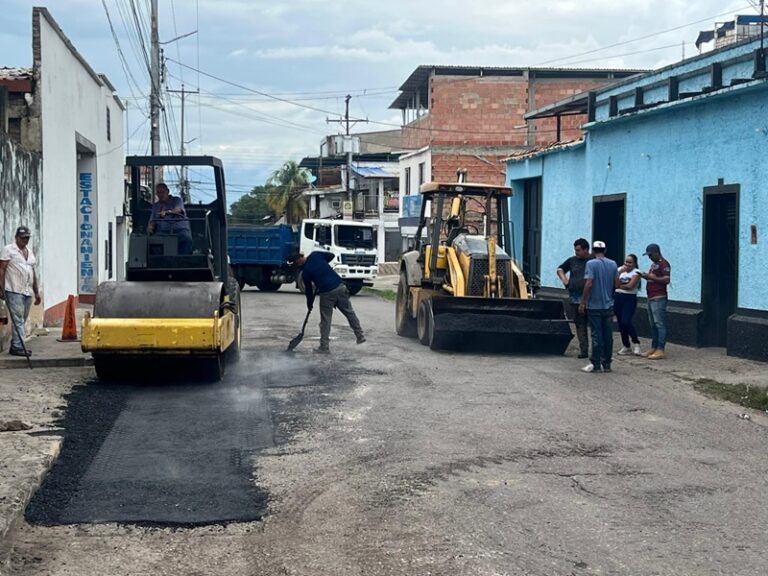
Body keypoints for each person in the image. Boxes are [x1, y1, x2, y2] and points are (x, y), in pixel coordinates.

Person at [292, 251, 365, 354]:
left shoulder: (306, 272)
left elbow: (308, 290)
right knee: (349, 313)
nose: (298, 265)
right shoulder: (316, 255)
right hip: (340, 286)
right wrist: (323, 264)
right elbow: (331, 255)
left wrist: (309, 304)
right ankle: (360, 336)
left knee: (326, 320)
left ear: (299, 260)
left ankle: (324, 347)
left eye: (297, 263)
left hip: (327, 293)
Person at [0, 226, 42, 356]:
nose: (25, 240)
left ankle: (15, 345)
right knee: (18, 319)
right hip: (13, 290)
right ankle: (19, 346)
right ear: (16, 237)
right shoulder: (9, 250)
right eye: (23, 238)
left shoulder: (29, 252)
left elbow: (33, 273)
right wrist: (1, 288)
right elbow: (2, 269)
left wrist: (36, 292)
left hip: (27, 291)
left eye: (27, 238)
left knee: (22, 319)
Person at [579, 240, 618, 373]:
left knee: (596, 334)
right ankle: (607, 363)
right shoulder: (613, 264)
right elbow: (617, 284)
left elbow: (589, 283)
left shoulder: (591, 263)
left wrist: (583, 301)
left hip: (594, 305)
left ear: (594, 251)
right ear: (605, 250)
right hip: (608, 304)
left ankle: (595, 363)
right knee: (608, 335)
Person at [556, 238, 593, 359]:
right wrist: (565, 280)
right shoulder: (572, 261)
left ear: (586, 249)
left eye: (578, 250)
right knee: (579, 325)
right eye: (575, 250)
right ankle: (584, 350)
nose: (576, 252)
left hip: (591, 299)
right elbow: (560, 269)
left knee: (594, 326)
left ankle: (597, 349)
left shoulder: (593, 261)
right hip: (575, 298)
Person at [637, 243, 671, 360]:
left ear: (657, 252)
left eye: (651, 255)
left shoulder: (663, 264)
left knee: (659, 324)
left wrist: (651, 277)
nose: (650, 257)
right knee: (653, 324)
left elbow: (666, 279)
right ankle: (654, 347)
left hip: (659, 297)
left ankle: (660, 349)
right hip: (651, 297)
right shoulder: (653, 265)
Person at [147, 182, 193, 255]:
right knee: (153, 241)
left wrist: (167, 213)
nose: (160, 195)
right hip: (163, 232)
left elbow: (178, 209)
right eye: (158, 193)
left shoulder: (177, 200)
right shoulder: (156, 206)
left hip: (179, 231)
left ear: (168, 191)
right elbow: (152, 221)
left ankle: (182, 261)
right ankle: (159, 262)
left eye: (162, 192)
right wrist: (150, 227)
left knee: (187, 239)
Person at [614, 253, 642, 356]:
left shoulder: (636, 273)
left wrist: (618, 285)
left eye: (630, 262)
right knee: (621, 323)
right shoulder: (620, 270)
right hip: (618, 297)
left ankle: (636, 342)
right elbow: (611, 281)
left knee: (626, 321)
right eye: (626, 262)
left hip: (629, 299)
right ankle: (626, 345)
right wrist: (618, 275)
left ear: (635, 263)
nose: (627, 264)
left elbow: (631, 286)